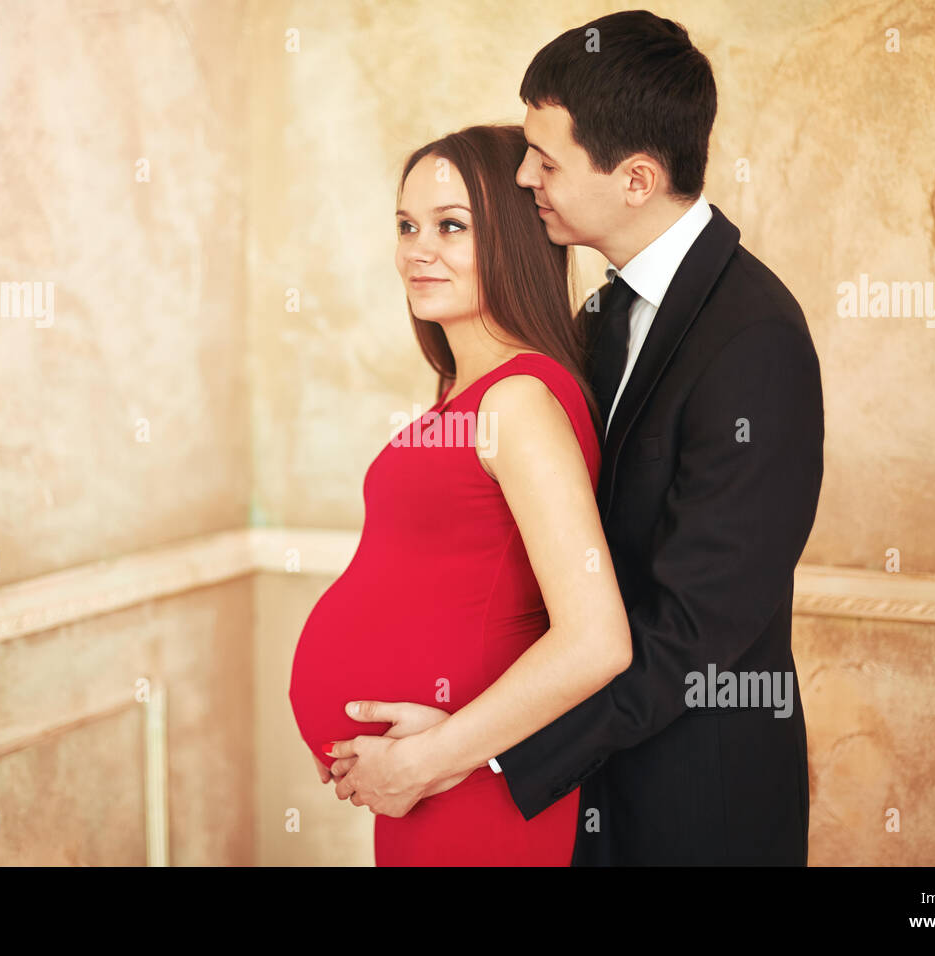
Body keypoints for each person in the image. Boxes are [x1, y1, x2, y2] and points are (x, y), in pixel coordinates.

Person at [329, 10, 825, 866]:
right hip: (579, 796)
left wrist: (462, 757)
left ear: (635, 179)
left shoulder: (756, 336)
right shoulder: (597, 319)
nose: (524, 177)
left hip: (693, 803)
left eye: (546, 160)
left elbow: (694, 624)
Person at [288, 123, 633, 865]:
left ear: (511, 239)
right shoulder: (465, 393)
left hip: (471, 789)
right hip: (425, 783)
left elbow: (596, 640)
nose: (418, 248)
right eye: (407, 226)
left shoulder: (519, 403)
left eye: (450, 226)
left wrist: (429, 756)